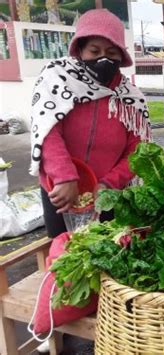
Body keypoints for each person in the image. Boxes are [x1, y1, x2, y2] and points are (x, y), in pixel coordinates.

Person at [29, 9, 151, 239]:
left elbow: (138, 152)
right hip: (61, 189)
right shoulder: (57, 79)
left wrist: (108, 184)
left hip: (106, 194)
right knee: (64, 253)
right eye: (94, 51)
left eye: (112, 52)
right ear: (80, 50)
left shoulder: (131, 98)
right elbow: (48, 131)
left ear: (121, 57)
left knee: (105, 251)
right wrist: (65, 177)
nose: (103, 58)